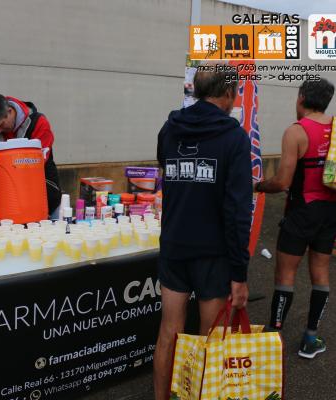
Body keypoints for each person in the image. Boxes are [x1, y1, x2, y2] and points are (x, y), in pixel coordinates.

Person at [153, 64, 252, 400]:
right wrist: (240, 273)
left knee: (169, 332)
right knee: (212, 338)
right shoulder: (234, 137)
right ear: (227, 94)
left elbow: (167, 171)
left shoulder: (170, 128)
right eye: (236, 92)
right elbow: (238, 211)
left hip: (175, 245)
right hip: (215, 252)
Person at [255, 78, 336, 359]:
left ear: (302, 97)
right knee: (320, 273)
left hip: (302, 210)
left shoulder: (296, 131)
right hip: (332, 211)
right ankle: (310, 339)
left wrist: (258, 185)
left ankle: (272, 338)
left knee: (286, 274)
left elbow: (282, 182)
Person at [0, 92, 62, 217]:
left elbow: (35, 165)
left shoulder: (38, 123)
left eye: (0, 125)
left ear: (10, 111)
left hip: (42, 190)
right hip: (6, 197)